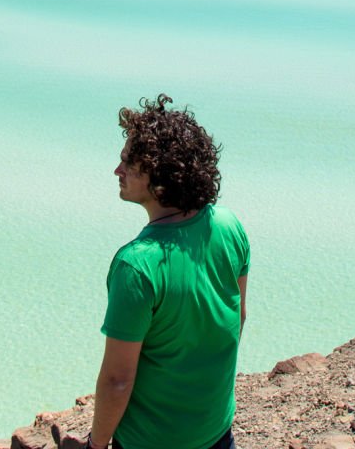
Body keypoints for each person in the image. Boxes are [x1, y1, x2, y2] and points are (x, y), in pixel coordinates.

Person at [68, 94, 249, 449]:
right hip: (215, 432)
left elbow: (117, 380)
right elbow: (237, 319)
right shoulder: (229, 226)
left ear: (158, 177)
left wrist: (96, 444)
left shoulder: (137, 266)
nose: (116, 171)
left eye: (127, 164)